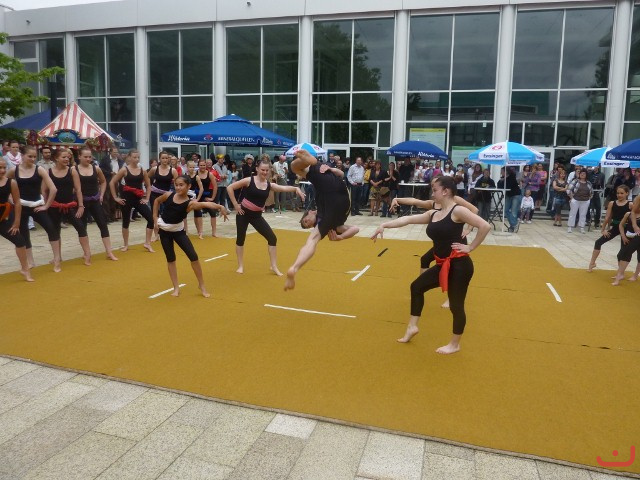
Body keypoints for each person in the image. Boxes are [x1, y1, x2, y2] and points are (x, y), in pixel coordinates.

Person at [371, 175, 491, 354]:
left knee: (456, 306)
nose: (432, 194)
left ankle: (454, 344)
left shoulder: (458, 210)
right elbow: (407, 219)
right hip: (442, 264)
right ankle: (412, 327)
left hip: (460, 266)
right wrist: (384, 225)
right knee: (416, 287)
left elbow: (485, 226)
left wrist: (470, 247)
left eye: (435, 190)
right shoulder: (434, 213)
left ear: (446, 191)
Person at [284, 149, 359, 291]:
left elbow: (340, 173)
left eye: (305, 221)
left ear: (310, 212)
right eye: (308, 225)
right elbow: (356, 229)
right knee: (297, 167)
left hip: (331, 187)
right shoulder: (326, 225)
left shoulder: (321, 216)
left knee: (295, 168)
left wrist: (331, 169)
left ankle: (295, 267)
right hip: (339, 196)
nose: (308, 223)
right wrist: (340, 237)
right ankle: (294, 268)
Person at [153, 175, 229, 297]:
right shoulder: (168, 195)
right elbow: (156, 201)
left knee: (193, 256)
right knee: (170, 259)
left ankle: (201, 285)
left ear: (188, 186)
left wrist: (220, 206)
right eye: (176, 185)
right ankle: (176, 287)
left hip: (178, 232)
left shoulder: (190, 204)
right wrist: (155, 219)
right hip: (164, 231)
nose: (178, 187)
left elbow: (205, 204)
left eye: (181, 185)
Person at [227, 157, 304, 275]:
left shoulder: (269, 184)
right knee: (240, 239)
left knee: (272, 238)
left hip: (256, 216)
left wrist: (295, 188)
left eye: (267, 170)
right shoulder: (249, 180)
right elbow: (230, 188)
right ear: (257, 169)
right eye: (262, 170)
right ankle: (240, 266)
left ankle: (274, 266)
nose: (265, 172)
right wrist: (236, 205)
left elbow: (282, 188)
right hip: (243, 213)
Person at [7, 145, 60, 270]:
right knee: (24, 233)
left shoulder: (39, 169)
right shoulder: (14, 170)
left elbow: (53, 189)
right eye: (30, 156)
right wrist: (11, 199)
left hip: (37, 205)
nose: (32, 159)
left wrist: (46, 206)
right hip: (21, 206)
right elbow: (5, 184)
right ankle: (30, 261)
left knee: (51, 229)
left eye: (35, 156)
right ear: (22, 156)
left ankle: (57, 259)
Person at [47, 147, 92, 267]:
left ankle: (87, 254)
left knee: (80, 227)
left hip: (70, 205)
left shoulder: (72, 171)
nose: (67, 159)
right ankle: (57, 256)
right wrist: (46, 205)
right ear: (56, 158)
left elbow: (78, 189)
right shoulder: (49, 172)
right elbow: (44, 190)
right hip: (55, 206)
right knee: (55, 231)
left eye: (68, 157)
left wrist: (81, 205)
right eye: (64, 157)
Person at [76, 147, 118, 261]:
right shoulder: (74, 169)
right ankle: (86, 252)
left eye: (90, 157)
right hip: (82, 201)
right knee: (82, 227)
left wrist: (101, 194)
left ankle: (109, 251)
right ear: (79, 157)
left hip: (95, 200)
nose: (88, 159)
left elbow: (103, 182)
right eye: (85, 157)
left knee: (103, 225)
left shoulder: (96, 168)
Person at [110, 149, 155, 252]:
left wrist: (147, 198)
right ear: (129, 157)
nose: (137, 159)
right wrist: (115, 197)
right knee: (126, 222)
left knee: (151, 219)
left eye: (138, 157)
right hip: (126, 199)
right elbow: (112, 182)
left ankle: (147, 243)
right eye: (134, 157)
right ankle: (126, 244)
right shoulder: (124, 170)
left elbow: (148, 185)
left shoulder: (142, 170)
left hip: (138, 199)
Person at [0, 158, 33, 281]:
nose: (2, 170)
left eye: (4, 168)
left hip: (3, 219)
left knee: (20, 240)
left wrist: (17, 222)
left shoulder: (11, 182)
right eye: (0, 168)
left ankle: (25, 269)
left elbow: (17, 202)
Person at [588, 185, 632, 272]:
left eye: (622, 193)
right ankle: (592, 263)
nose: (619, 195)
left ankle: (620, 272)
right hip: (615, 227)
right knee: (598, 242)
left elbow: (635, 217)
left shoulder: (630, 204)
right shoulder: (612, 203)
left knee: (622, 252)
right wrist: (603, 230)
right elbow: (607, 217)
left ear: (627, 193)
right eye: (618, 193)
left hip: (626, 229)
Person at [611, 195, 640, 285]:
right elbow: (622, 224)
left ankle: (634, 275)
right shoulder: (630, 213)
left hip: (637, 235)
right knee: (624, 253)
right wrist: (624, 235)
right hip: (631, 235)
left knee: (637, 256)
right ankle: (620, 275)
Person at [194, 159, 218, 238]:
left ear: (206, 165)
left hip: (207, 196)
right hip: (197, 196)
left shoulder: (210, 174)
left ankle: (214, 232)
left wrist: (212, 198)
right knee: (197, 213)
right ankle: (199, 232)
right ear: (198, 166)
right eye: (201, 165)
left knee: (212, 212)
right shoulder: (195, 173)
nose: (202, 167)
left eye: (204, 165)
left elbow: (215, 186)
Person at [99, 146, 124, 222]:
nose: (116, 154)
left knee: (114, 199)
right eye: (114, 152)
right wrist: (110, 173)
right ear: (110, 152)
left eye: (117, 152)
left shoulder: (120, 160)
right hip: (107, 180)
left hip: (116, 181)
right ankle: (106, 217)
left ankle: (112, 216)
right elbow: (101, 169)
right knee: (106, 199)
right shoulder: (105, 159)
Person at [567, 169, 593, 234]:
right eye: (581, 173)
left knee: (583, 214)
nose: (582, 174)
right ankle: (570, 227)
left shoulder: (588, 183)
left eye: (584, 173)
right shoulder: (575, 181)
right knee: (572, 213)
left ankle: (582, 227)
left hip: (585, 200)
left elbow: (592, 192)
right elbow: (569, 189)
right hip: (575, 199)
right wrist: (571, 197)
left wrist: (589, 198)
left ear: (586, 175)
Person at [497, 167, 522, 232]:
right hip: (508, 195)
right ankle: (514, 224)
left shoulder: (512, 177)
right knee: (505, 210)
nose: (501, 173)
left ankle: (512, 227)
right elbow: (499, 186)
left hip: (516, 195)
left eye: (502, 171)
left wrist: (505, 179)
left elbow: (508, 186)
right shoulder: (503, 178)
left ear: (506, 172)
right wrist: (501, 180)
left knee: (513, 211)